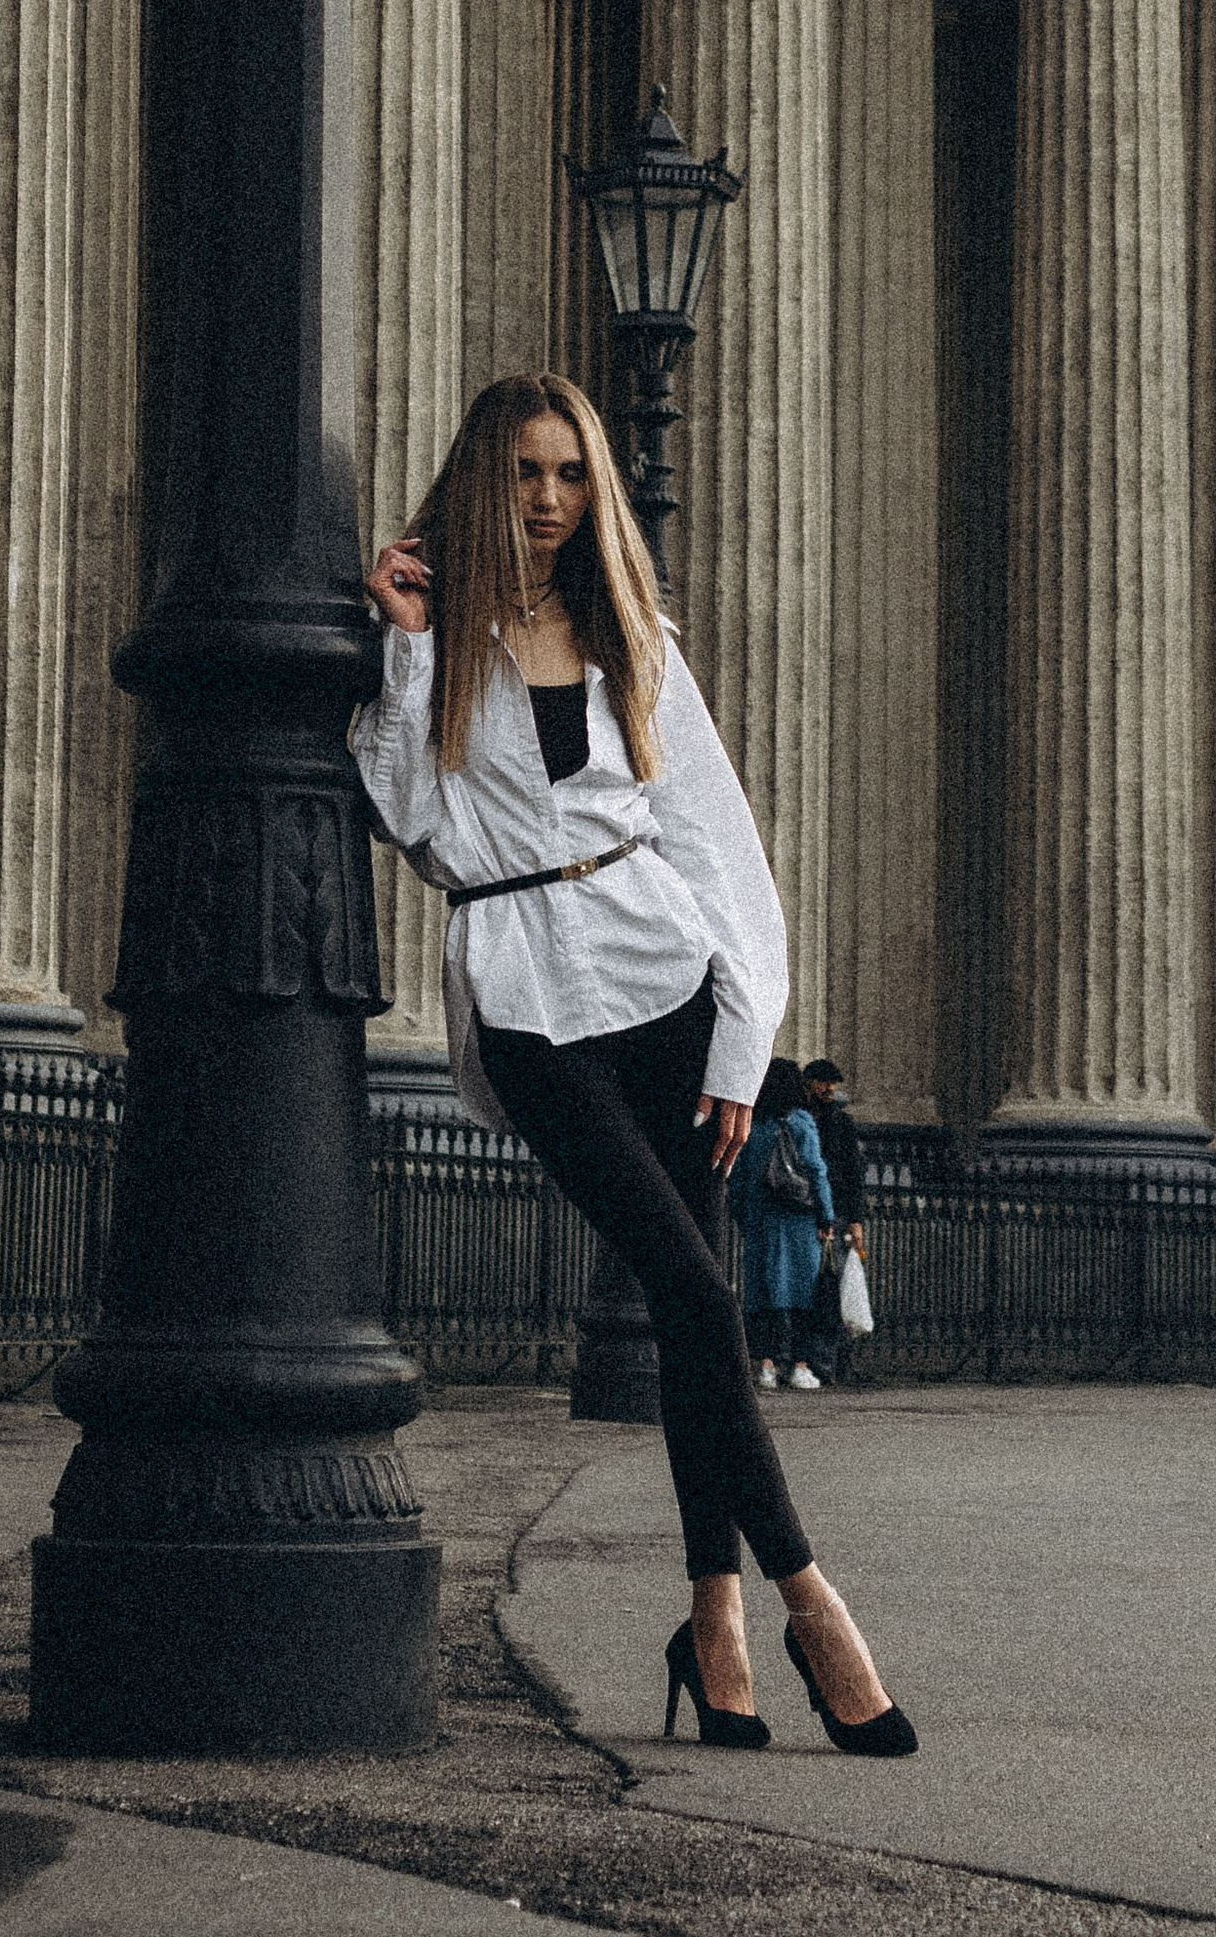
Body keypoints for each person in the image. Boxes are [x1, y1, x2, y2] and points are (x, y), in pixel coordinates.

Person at [356, 372, 915, 1752]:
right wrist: (412, 647)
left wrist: (743, 1043)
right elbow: (410, 817)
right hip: (527, 995)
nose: (548, 499)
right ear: (484, 479)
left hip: (664, 981)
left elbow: (722, 855)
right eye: (526, 473)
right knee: (686, 1281)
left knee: (690, 1311)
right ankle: (812, 1600)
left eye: (570, 474)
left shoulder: (635, 642)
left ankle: (712, 1622)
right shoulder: (438, 641)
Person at [729, 1060, 836, 1391]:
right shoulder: (802, 1123)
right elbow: (817, 1172)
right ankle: (800, 1365)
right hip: (799, 1222)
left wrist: (744, 1216)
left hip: (761, 1220)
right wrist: (826, 1216)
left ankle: (766, 1365)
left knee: (762, 1297)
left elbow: (739, 1178)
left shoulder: (755, 1126)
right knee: (803, 1298)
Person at [802, 1057, 869, 1384]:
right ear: (809, 1083)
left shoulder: (841, 1124)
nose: (830, 1089)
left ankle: (824, 1363)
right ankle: (809, 1360)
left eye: (833, 1083)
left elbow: (854, 1176)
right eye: (824, 1083)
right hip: (806, 1213)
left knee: (830, 1289)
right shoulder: (800, 1120)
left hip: (837, 1215)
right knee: (811, 1289)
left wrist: (856, 1221)